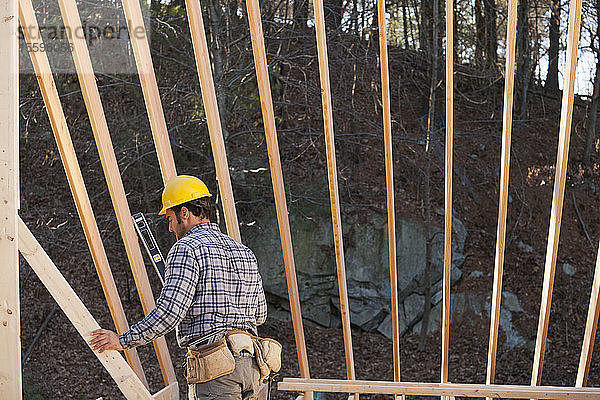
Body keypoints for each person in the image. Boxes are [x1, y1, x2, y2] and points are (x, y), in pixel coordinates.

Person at [90, 175, 268, 400]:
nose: (170, 228)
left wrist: (123, 340)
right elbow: (260, 315)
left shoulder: (186, 248)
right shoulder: (244, 252)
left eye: (170, 218)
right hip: (252, 368)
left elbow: (169, 313)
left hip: (218, 370)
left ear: (185, 212)